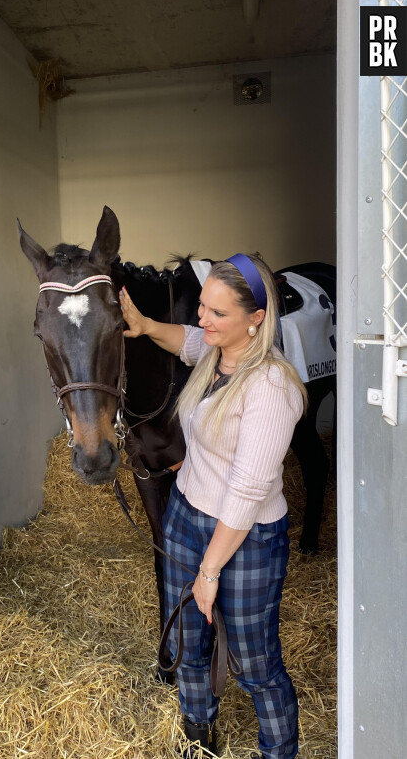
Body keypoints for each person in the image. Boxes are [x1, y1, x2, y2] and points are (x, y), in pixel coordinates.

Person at [119, 254, 306, 759]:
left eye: (218, 313)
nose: (203, 319)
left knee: (255, 663)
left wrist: (209, 570)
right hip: (187, 516)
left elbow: (246, 494)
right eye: (202, 306)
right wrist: (144, 325)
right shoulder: (216, 351)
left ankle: (278, 751)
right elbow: (187, 340)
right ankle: (199, 737)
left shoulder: (270, 387)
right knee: (189, 644)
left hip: (246, 539)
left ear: (257, 319)